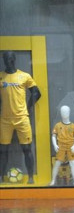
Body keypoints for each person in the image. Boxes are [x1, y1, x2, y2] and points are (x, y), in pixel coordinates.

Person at [0, 51, 41, 184]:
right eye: (6, 58)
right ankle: (1, 177)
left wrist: (29, 107)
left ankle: (30, 177)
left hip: (22, 118)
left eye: (11, 58)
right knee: (3, 150)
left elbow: (36, 92)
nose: (8, 60)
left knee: (27, 148)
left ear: (14, 59)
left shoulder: (24, 76)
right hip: (5, 119)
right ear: (3, 60)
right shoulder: (1, 77)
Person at [50, 105, 74, 186]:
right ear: (60, 113)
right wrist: (55, 145)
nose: (64, 113)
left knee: (73, 163)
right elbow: (53, 136)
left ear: (69, 112)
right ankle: (53, 180)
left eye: (66, 111)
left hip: (71, 147)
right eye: (62, 112)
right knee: (57, 163)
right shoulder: (57, 125)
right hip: (61, 147)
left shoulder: (73, 126)